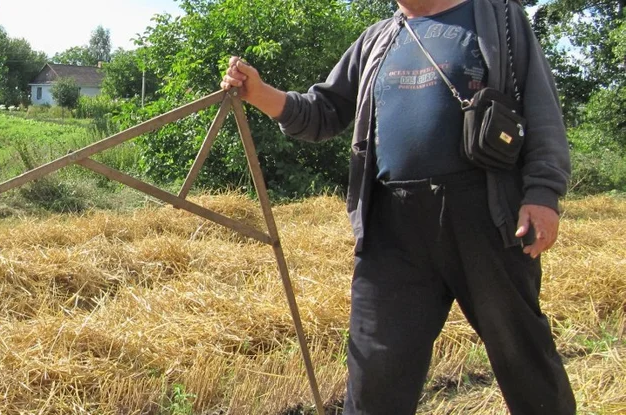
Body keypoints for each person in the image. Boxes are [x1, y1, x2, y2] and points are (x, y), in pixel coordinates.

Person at [220, 0, 575, 413]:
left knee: (524, 356)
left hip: (485, 216)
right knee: (375, 373)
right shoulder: (377, 39)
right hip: (391, 223)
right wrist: (260, 93)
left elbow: (541, 108)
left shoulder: (498, 18)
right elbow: (323, 112)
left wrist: (543, 194)